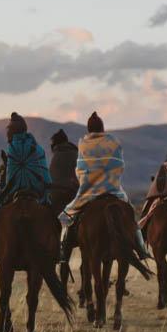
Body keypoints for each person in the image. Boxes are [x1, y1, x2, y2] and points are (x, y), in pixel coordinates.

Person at [59, 112, 149, 268]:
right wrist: (110, 178)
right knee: (131, 216)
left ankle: (62, 251)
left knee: (66, 217)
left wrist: (87, 180)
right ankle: (141, 249)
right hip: (113, 190)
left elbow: (81, 169)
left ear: (88, 129)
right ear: (102, 128)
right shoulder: (113, 141)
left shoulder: (83, 143)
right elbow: (119, 165)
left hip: (88, 192)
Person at [0, 112, 51, 259]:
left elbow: (10, 179)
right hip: (36, 192)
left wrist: (9, 189)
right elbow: (44, 175)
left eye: (9, 131)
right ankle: (56, 249)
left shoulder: (12, 149)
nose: (7, 134)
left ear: (14, 132)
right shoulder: (38, 149)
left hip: (15, 192)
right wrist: (44, 187)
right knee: (52, 215)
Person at [47, 128, 79, 216]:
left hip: (57, 196)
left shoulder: (56, 156)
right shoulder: (76, 154)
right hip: (74, 194)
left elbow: (50, 178)